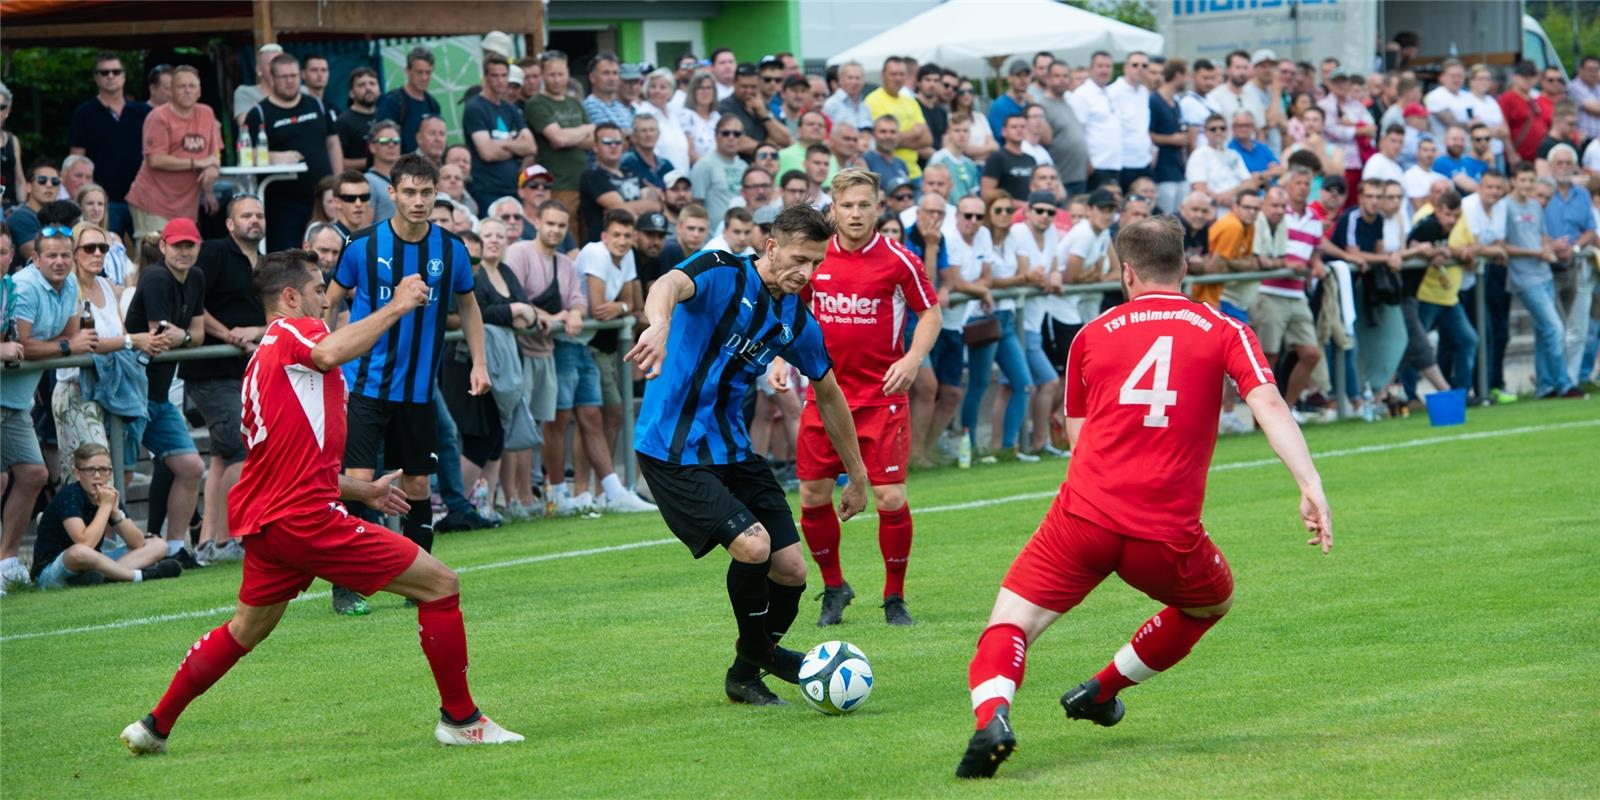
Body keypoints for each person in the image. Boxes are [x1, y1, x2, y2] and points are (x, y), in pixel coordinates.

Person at [954, 215, 1332, 779]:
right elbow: (1269, 404)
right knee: (1210, 603)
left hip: (1083, 518)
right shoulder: (1225, 329)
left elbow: (1078, 437)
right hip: (1165, 532)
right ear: (1184, 267)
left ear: (1125, 272)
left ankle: (994, 718)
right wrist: (1310, 484)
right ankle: (1099, 691)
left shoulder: (1092, 333)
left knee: (1010, 623)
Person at [121, 248, 522, 756]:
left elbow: (293, 464)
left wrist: (364, 490)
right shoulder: (294, 334)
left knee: (247, 628)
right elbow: (331, 353)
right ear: (290, 298)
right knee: (441, 585)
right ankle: (461, 720)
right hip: (303, 520)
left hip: (273, 520)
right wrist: (397, 305)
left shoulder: (265, 359)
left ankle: (154, 725)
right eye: (318, 291)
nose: (327, 302)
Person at [627, 203, 869, 706]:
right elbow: (666, 286)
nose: (807, 272)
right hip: (671, 450)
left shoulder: (797, 320)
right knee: (754, 547)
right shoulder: (720, 271)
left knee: (792, 571)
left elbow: (828, 392)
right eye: (800, 258)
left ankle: (744, 674)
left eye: (817, 263)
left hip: (733, 449)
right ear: (771, 246)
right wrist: (658, 324)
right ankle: (769, 656)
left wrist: (857, 473)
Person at [322, 155, 490, 616]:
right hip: (363, 387)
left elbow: (469, 306)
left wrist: (480, 361)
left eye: (426, 192)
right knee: (357, 483)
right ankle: (347, 584)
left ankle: (421, 580)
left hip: (417, 392)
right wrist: (326, 356)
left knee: (416, 485)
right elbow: (330, 302)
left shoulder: (452, 249)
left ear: (436, 194)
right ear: (391, 193)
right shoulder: (361, 245)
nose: (418, 201)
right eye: (409, 192)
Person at [785, 170, 939, 628]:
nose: (855, 213)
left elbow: (930, 313)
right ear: (833, 208)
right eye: (847, 205)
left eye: (864, 205)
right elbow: (792, 305)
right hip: (825, 394)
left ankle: (895, 598)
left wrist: (912, 359)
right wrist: (780, 356)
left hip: (880, 399)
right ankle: (834, 587)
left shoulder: (899, 260)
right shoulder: (816, 256)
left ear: (878, 208)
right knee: (812, 495)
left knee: (890, 497)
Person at [0, 223, 96, 590]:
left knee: (34, 474)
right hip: (6, 394)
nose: (59, 262)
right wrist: (63, 346)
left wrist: (57, 344)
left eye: (65, 255)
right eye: (51, 255)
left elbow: (65, 337)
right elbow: (27, 343)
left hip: (17, 399)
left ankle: (7, 561)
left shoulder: (68, 283)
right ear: (35, 259)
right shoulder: (23, 286)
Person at [182, 195, 267, 565]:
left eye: (259, 215)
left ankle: (208, 543)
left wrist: (255, 332)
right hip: (211, 369)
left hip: (247, 371)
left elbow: (275, 316)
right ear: (230, 224)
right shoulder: (215, 253)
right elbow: (192, 301)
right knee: (240, 448)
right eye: (246, 215)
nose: (254, 221)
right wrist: (229, 333)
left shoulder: (265, 264)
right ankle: (229, 536)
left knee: (221, 457)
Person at [32, 443, 180, 589]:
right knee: (78, 552)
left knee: (158, 544)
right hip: (52, 570)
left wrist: (115, 513)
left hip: (92, 564)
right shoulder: (68, 496)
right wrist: (105, 507)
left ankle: (105, 577)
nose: (97, 476)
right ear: (78, 474)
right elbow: (85, 544)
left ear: (110, 473)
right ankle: (140, 576)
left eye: (103, 470)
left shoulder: (108, 495)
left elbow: (138, 543)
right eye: (90, 470)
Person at [244, 54, 341, 251]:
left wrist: (339, 182)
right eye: (284, 77)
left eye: (294, 76)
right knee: (289, 259)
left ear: (301, 76)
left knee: (326, 255)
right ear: (272, 78)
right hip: (283, 206)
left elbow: (332, 143)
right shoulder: (259, 114)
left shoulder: (317, 105)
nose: (290, 81)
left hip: (321, 200)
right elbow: (246, 154)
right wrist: (275, 158)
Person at [1255, 167, 1325, 410]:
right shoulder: (1276, 213)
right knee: (1269, 357)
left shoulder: (1315, 219)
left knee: (1311, 353)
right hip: (1271, 291)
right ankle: (1262, 417)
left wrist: (1316, 263)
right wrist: (1286, 263)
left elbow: (1316, 249)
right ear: (1288, 186)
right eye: (1298, 182)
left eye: (1307, 183)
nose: (1303, 187)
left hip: (1296, 293)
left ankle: (1289, 408)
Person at [126, 65, 221, 240]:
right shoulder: (158, 117)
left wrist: (212, 170)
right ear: (171, 91)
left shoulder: (206, 113)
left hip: (186, 206)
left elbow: (215, 152)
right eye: (181, 86)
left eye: (192, 86)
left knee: (183, 257)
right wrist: (198, 163)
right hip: (153, 201)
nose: (187, 91)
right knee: (155, 258)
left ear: (200, 91)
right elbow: (155, 159)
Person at [68, 51, 151, 239]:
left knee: (150, 253)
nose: (111, 76)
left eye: (116, 71)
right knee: (104, 255)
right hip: (103, 201)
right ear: (96, 78)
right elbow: (76, 161)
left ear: (124, 75)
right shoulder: (84, 113)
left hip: (142, 198)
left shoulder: (144, 112)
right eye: (104, 73)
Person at [527, 50, 594, 242]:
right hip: (557, 183)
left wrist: (570, 135)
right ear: (542, 75)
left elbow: (592, 140)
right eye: (552, 75)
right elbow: (558, 139)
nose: (557, 80)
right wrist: (584, 129)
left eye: (561, 74)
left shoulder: (574, 102)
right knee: (566, 235)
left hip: (583, 182)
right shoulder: (536, 103)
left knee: (586, 233)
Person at [463, 52, 537, 212]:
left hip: (513, 187)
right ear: (485, 77)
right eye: (495, 75)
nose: (500, 80)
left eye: (504, 75)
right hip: (486, 189)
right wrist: (516, 146)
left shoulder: (510, 108)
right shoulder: (475, 107)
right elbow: (487, 152)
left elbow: (531, 147)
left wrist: (501, 144)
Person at [579, 122, 661, 244]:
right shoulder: (592, 176)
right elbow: (621, 211)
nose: (613, 146)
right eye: (607, 142)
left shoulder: (632, 172)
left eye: (617, 142)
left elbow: (655, 205)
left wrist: (621, 207)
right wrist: (640, 207)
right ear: (595, 146)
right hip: (605, 245)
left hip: (634, 246)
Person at [864, 57, 929, 181]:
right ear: (882, 75)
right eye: (893, 74)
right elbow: (879, 140)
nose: (898, 78)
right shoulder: (872, 101)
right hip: (885, 171)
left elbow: (927, 139)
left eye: (901, 74)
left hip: (914, 172)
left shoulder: (911, 101)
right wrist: (914, 133)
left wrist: (897, 139)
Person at [374, 46, 442, 154]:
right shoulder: (392, 102)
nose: (424, 77)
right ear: (408, 71)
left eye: (428, 72)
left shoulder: (433, 104)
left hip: (426, 168)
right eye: (419, 72)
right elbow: (381, 141)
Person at [1070, 52, 1122, 191]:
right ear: (1090, 69)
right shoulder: (1082, 95)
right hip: (1096, 165)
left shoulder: (1110, 92)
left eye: (1108, 66)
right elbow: (1077, 131)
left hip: (1113, 163)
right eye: (1100, 66)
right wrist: (1086, 161)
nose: (1104, 70)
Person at [719, 62, 791, 159]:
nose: (749, 91)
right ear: (734, 83)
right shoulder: (726, 106)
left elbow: (785, 139)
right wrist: (769, 149)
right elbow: (738, 141)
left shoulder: (761, 105)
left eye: (753, 87)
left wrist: (764, 114)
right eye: (744, 86)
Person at [1150, 60, 1191, 214]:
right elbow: (1148, 134)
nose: (1188, 80)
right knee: (1166, 217)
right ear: (1177, 75)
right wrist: (1171, 139)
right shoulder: (1154, 101)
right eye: (1186, 75)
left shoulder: (1176, 102)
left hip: (1178, 167)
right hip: (1162, 170)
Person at [1107, 52, 1153, 191]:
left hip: (1144, 159)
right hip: (1123, 162)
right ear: (1125, 68)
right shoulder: (1112, 92)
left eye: (1144, 65)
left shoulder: (1144, 91)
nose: (1140, 68)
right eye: (1135, 65)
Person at [691, 115, 748, 225]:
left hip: (741, 234)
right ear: (716, 136)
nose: (731, 137)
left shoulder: (744, 166)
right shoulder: (704, 165)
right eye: (726, 133)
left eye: (736, 134)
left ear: (742, 138)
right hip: (714, 236)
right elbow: (696, 206)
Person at [1187, 113, 1254, 206]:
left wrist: (1231, 194)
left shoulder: (1234, 154)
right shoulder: (1199, 154)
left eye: (1222, 128)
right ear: (1205, 132)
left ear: (1227, 131)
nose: (1218, 132)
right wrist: (1222, 199)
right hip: (1212, 208)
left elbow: (1249, 183)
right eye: (1213, 129)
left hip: (1237, 206)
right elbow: (1199, 188)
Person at [640, 69, 691, 170]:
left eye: (663, 87)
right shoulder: (644, 113)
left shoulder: (673, 115)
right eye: (653, 87)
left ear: (671, 91)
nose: (657, 91)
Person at [982, 115, 1037, 201]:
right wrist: (1018, 205)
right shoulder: (996, 158)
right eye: (1014, 127)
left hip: (1030, 212)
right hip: (1007, 212)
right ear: (1004, 131)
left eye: (1022, 127)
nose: (1019, 130)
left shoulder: (1031, 159)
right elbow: (986, 193)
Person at [336, 68, 381, 170]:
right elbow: (337, 161)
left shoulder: (385, 116)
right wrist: (375, 161)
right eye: (361, 85)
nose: (368, 88)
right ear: (351, 93)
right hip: (357, 182)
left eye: (372, 84)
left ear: (379, 89)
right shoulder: (343, 121)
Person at [582, 53, 635, 136]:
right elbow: (609, 136)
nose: (612, 78)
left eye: (615, 73)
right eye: (606, 73)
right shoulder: (589, 106)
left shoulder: (621, 106)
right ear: (592, 78)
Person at [1228, 112, 1283, 184]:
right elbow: (1245, 180)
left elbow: (1281, 169)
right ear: (1233, 128)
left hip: (1272, 187)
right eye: (1240, 126)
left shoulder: (1262, 147)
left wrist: (1261, 175)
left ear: (1253, 127)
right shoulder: (1229, 151)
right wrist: (1269, 172)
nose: (1244, 129)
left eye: (1247, 125)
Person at [823, 61, 873, 133]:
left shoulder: (865, 107)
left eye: (858, 78)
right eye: (850, 78)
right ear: (840, 80)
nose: (854, 82)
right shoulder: (830, 105)